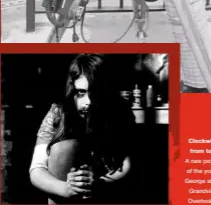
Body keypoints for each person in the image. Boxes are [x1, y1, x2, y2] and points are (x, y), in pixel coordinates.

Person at [29, 54, 133, 203]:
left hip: (102, 188)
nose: (88, 102)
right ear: (72, 90)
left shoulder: (118, 110)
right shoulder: (58, 113)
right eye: (81, 92)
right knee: (63, 147)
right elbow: (36, 170)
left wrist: (96, 181)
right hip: (65, 191)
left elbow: (126, 164)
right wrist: (67, 188)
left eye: (94, 92)